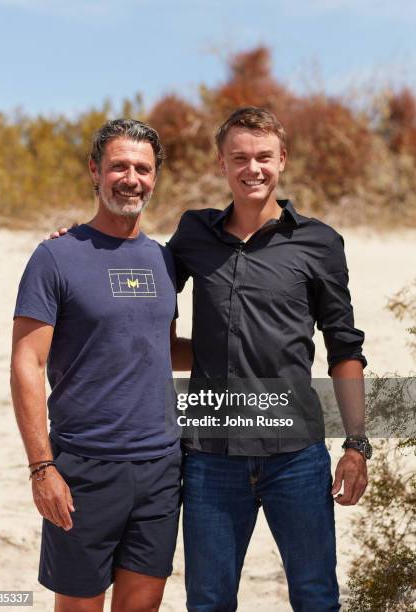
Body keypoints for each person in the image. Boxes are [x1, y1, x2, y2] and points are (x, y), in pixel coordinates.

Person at [167, 107, 370, 612]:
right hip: (211, 458)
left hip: (296, 458)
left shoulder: (319, 242)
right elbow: (146, 309)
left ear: (282, 160)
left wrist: (357, 444)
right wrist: (84, 247)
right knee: (209, 602)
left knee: (316, 598)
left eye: (262, 157)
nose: (251, 168)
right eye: (239, 157)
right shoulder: (193, 235)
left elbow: (343, 348)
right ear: (221, 165)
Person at [11, 118, 190, 612]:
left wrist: (251, 347)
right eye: (118, 166)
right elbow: (27, 362)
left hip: (160, 468)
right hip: (83, 468)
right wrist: (42, 467)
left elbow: (163, 346)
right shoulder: (56, 256)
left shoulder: (163, 260)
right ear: (95, 170)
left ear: (155, 177)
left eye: (143, 168)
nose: (131, 178)